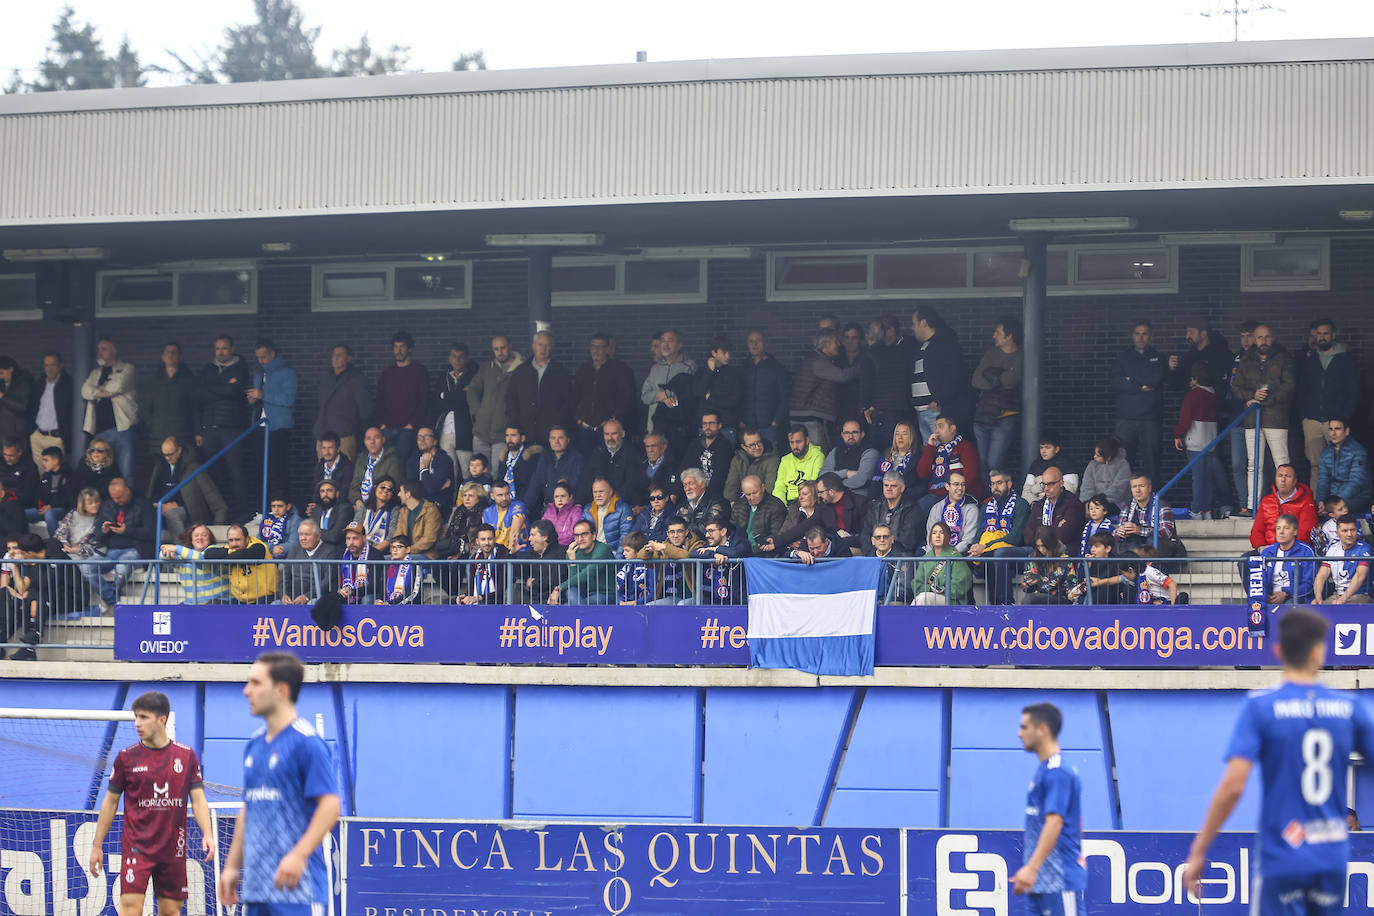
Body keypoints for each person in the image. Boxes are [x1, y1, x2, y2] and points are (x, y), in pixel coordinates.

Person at [1184, 609, 1374, 914]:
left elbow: (1233, 788)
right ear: (1319, 652)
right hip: (1330, 860)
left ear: (1278, 651)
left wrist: (1200, 848)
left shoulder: (1261, 706)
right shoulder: (1348, 707)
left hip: (1283, 857)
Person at [218, 652, 340, 914]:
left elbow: (330, 805)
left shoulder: (307, 743)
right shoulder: (254, 745)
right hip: (257, 888)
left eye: (255, 683)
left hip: (298, 891)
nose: (246, 691)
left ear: (281, 690)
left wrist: (299, 855)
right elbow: (248, 808)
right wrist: (231, 866)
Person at [88, 691, 213, 916]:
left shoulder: (186, 756)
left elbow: (198, 798)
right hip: (137, 848)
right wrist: (97, 845)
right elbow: (110, 803)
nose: (137, 723)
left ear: (162, 720)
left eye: (144, 717)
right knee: (129, 909)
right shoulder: (126, 758)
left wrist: (208, 834)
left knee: (170, 912)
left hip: (173, 849)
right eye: (136, 716)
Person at [1012, 702, 1086, 912]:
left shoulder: (1057, 772)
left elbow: (1055, 822)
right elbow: (1075, 817)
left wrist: (1031, 869)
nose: (1019, 733)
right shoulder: (1046, 770)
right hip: (1041, 882)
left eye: (1024, 727)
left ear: (1043, 729)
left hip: (1059, 880)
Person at [1232, 323, 1296, 512]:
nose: (1263, 341)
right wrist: (1252, 396)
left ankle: (1287, 505)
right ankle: (1253, 506)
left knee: (1282, 462)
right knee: (1253, 464)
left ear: (1273, 337)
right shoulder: (1245, 359)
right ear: (1254, 339)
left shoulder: (1283, 358)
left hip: (1276, 418)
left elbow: (1289, 386)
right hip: (1252, 418)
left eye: (1267, 337)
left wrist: (1265, 400)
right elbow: (1236, 387)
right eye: (1259, 337)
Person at [1297, 318, 1359, 493]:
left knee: (1340, 463)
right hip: (1312, 420)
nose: (1322, 337)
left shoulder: (1345, 359)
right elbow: (1302, 389)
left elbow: (1353, 390)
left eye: (1325, 334)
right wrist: (1304, 416)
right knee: (1315, 465)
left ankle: (1337, 505)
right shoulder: (1310, 359)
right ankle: (1318, 504)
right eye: (1319, 334)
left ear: (1333, 335)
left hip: (1336, 419)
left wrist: (1345, 416)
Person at [196, 336, 252, 521]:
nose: (221, 352)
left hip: (232, 428)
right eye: (218, 348)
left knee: (236, 472)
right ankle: (218, 514)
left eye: (224, 348)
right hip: (209, 429)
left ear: (232, 349)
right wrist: (224, 388)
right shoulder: (207, 369)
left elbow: (234, 392)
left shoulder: (241, 368)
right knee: (213, 474)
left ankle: (242, 515)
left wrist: (214, 390)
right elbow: (200, 395)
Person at [84, 479, 154, 613]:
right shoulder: (108, 505)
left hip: (135, 549)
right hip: (110, 551)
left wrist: (126, 530)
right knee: (86, 566)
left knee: (122, 567)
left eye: (120, 497)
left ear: (128, 490)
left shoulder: (143, 505)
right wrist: (103, 531)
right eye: (113, 497)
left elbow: (150, 533)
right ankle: (112, 599)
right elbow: (97, 535)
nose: (116, 500)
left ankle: (110, 601)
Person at [1110, 320, 1166, 484]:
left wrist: (1132, 380)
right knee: (1124, 464)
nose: (1141, 338)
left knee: (1153, 463)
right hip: (1126, 419)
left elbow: (1155, 380)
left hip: (1151, 419)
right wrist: (1140, 386)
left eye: (1144, 334)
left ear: (1151, 336)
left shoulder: (1158, 357)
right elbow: (1116, 383)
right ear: (1132, 336)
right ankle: (1125, 505)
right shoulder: (1123, 358)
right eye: (1137, 334)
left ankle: (1154, 503)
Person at [1173, 363, 1229, 519]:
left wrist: (1177, 434)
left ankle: (1197, 509)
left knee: (1197, 478)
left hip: (1195, 441)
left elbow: (1185, 420)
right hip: (1210, 442)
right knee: (1209, 477)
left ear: (1195, 379)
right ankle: (1208, 509)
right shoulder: (1213, 395)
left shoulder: (1192, 395)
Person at [971, 317, 1023, 485]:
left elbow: (1011, 380)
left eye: (998, 332)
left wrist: (992, 374)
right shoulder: (991, 354)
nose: (994, 335)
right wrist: (999, 377)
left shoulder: (1021, 355)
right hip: (983, 415)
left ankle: (1004, 498)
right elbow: (976, 380)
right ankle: (989, 503)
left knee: (995, 463)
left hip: (1006, 416)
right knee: (983, 464)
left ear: (1009, 336)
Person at [789, 328, 859, 450]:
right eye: (835, 341)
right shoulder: (818, 361)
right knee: (817, 454)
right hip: (809, 417)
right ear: (825, 344)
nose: (839, 344)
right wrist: (863, 366)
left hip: (804, 414)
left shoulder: (816, 359)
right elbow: (842, 376)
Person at [909, 306, 974, 438]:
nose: (912, 328)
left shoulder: (944, 344)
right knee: (931, 452)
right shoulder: (924, 346)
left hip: (936, 412)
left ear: (924, 322)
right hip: (923, 411)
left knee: (941, 453)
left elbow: (954, 375)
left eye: (914, 323)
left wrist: (940, 401)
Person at [147, 437, 229, 541]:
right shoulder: (159, 467)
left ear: (179, 450)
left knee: (173, 514)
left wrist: (217, 528)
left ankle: (181, 550)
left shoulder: (193, 468)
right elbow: (151, 494)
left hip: (188, 514)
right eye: (165, 455)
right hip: (160, 511)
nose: (167, 458)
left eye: (170, 454)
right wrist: (157, 505)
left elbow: (216, 501)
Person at [81, 338, 138, 481]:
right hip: (99, 431)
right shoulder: (96, 372)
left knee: (126, 472)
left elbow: (117, 387)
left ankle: (127, 502)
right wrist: (105, 392)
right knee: (100, 472)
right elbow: (84, 391)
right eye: (99, 349)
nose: (100, 352)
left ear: (115, 350)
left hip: (121, 428)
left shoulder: (127, 368)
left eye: (104, 349)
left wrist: (96, 391)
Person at [140, 342, 198, 481]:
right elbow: (145, 409)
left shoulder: (189, 380)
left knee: (184, 474)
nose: (170, 355)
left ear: (180, 357)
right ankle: (159, 502)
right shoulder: (154, 381)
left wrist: (197, 432)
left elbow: (195, 408)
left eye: (174, 352)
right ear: (162, 357)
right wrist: (153, 426)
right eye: (168, 352)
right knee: (159, 475)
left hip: (183, 436)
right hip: (158, 437)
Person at [969, 468, 1029, 604]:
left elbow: (1015, 538)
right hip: (988, 551)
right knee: (961, 558)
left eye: (999, 483)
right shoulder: (986, 506)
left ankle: (1004, 603)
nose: (995, 487)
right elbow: (979, 533)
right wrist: (975, 547)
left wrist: (985, 547)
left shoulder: (1021, 504)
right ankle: (969, 607)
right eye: (992, 484)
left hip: (1015, 552)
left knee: (998, 554)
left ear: (1009, 484)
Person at [506, 330, 574, 447]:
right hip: (525, 432)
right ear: (533, 346)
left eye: (547, 345)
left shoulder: (560, 372)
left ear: (552, 348)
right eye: (540, 344)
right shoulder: (521, 371)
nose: (543, 349)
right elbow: (511, 398)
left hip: (551, 434)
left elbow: (569, 401)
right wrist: (516, 421)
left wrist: (558, 422)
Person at [573, 332, 636, 456]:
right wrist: (578, 418)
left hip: (607, 428)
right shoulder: (583, 370)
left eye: (600, 347)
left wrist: (615, 417)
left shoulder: (619, 370)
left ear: (607, 349)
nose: (596, 350)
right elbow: (574, 396)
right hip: (585, 427)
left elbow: (627, 397)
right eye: (593, 347)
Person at [374, 330, 429, 465]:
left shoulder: (419, 371)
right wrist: (381, 424)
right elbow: (378, 400)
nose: (398, 351)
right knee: (387, 465)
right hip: (387, 429)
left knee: (404, 465)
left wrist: (411, 425)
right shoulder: (387, 373)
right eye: (396, 347)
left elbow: (424, 401)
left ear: (410, 349)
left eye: (402, 347)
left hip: (408, 430)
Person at [468, 335, 524, 466]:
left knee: (497, 473)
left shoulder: (522, 368)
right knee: (480, 474)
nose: (500, 352)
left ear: (510, 346)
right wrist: (477, 411)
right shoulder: (487, 367)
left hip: (503, 434)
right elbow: (472, 389)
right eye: (496, 349)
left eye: (503, 348)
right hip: (481, 431)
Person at [916, 414, 984, 514]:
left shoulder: (966, 447)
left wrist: (949, 492)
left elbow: (969, 477)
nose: (937, 431)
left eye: (940, 426)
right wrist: (930, 447)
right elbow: (922, 473)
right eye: (936, 427)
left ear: (952, 428)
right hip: (936, 496)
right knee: (916, 511)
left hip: (963, 494)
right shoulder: (936, 450)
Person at [313, 343, 371, 460]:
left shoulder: (356, 379)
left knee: (345, 472)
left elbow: (364, 409)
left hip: (344, 435)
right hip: (324, 434)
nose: (335, 358)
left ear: (348, 358)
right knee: (325, 472)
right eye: (333, 355)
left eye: (339, 355)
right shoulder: (326, 378)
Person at [640, 329, 696, 442]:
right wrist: (658, 395)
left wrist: (667, 395)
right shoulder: (655, 368)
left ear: (680, 344)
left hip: (679, 427)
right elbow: (644, 396)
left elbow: (689, 394)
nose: (665, 344)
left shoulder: (688, 366)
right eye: (663, 341)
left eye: (670, 340)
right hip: (655, 428)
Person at [739, 330, 791, 447]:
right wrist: (740, 420)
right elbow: (738, 396)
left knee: (770, 458)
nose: (754, 344)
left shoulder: (776, 368)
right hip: (747, 426)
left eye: (758, 341)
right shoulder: (743, 368)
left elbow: (785, 398)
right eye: (751, 341)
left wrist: (776, 421)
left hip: (769, 426)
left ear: (765, 344)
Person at [1249, 464, 1319, 551]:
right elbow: (1257, 531)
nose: (1283, 480)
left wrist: (1282, 550)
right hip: (1268, 551)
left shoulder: (1306, 502)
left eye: (1288, 476)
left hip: (1295, 552)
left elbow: (1306, 533)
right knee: (1244, 561)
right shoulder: (1266, 501)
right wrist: (1261, 547)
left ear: (1295, 481)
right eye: (1280, 476)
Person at [434, 342, 477, 479]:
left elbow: (468, 400)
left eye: (461, 356)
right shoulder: (444, 377)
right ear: (449, 359)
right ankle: (451, 501)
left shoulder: (473, 376)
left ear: (467, 359)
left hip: (464, 431)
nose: (457, 360)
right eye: (454, 356)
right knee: (449, 473)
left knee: (468, 471)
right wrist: (459, 396)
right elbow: (436, 401)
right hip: (445, 432)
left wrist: (446, 396)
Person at [160, 525, 231, 606]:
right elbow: (163, 559)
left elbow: (200, 558)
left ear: (210, 538)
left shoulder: (214, 551)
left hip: (220, 601)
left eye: (204, 535)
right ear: (191, 539)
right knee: (174, 614)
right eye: (196, 535)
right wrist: (166, 551)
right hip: (192, 603)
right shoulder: (185, 554)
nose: (200, 538)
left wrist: (176, 548)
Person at [578, 419, 643, 506]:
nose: (610, 438)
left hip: (622, 504)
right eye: (607, 434)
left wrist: (611, 500)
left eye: (614, 434)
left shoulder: (632, 454)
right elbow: (586, 480)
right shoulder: (597, 452)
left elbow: (631, 485)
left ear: (622, 434)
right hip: (597, 502)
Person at [1114, 473, 1182, 557]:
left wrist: (1139, 530)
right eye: (1134, 487)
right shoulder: (1127, 506)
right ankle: (1132, 568)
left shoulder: (1162, 505)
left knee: (1151, 542)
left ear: (1149, 488)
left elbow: (1166, 532)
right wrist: (1121, 533)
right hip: (1136, 545)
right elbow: (1115, 533)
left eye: (1141, 486)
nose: (1137, 490)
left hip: (1164, 550)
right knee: (1129, 542)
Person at [548, 520, 615, 604]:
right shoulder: (572, 551)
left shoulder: (603, 549)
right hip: (583, 592)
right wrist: (572, 561)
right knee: (571, 591)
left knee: (574, 604)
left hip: (605, 594)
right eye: (576, 535)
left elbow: (587, 575)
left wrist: (558, 588)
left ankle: (572, 612)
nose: (580, 539)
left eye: (584, 534)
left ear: (594, 535)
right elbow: (574, 581)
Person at [524, 425, 584, 518]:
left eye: (560, 438)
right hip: (548, 507)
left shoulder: (576, 458)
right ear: (549, 440)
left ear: (568, 440)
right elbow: (536, 482)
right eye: (553, 438)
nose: (556, 441)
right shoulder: (545, 456)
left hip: (568, 509)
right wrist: (526, 507)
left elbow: (575, 483)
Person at [1312, 514, 1372, 605]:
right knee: (1317, 611)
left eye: (1352, 530)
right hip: (1338, 595)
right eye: (1345, 531)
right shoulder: (1333, 548)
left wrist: (1343, 599)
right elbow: (1321, 576)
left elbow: (1360, 576)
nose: (1349, 534)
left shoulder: (1364, 547)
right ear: (1337, 533)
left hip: (1361, 596)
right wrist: (1318, 597)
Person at [1259, 513, 1318, 605]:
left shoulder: (1306, 551)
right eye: (1278, 528)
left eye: (1286, 528)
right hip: (1270, 597)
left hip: (1295, 598)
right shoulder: (1266, 552)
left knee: (1289, 605)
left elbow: (1309, 584)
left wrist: (1286, 593)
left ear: (1295, 531)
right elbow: (1258, 579)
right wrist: (1263, 594)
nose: (1281, 532)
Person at [278, 519, 341, 605]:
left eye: (307, 534)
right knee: (275, 604)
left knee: (312, 604)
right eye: (301, 534)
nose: (303, 538)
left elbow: (328, 581)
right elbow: (284, 577)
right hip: (292, 599)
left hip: (317, 598)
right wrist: (284, 595)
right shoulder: (294, 549)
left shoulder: (330, 551)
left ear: (318, 536)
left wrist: (307, 596)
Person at [693, 335, 743, 440]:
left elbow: (734, 400)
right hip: (706, 427)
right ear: (714, 353)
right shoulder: (702, 372)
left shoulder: (733, 373)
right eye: (724, 353)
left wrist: (711, 398)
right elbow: (697, 392)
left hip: (726, 425)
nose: (728, 356)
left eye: (729, 352)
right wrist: (709, 372)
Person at [28, 351, 73, 467]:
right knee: (39, 473)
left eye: (53, 365)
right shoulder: (40, 384)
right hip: (37, 436)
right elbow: (32, 407)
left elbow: (71, 413)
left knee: (57, 472)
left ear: (61, 365)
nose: (49, 369)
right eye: (46, 365)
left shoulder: (68, 384)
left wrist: (64, 435)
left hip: (56, 437)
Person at [910, 521, 972, 605]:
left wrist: (941, 590)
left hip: (951, 600)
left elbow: (961, 585)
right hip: (928, 596)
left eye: (942, 533)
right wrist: (930, 589)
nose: (938, 536)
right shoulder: (926, 557)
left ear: (948, 536)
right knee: (921, 598)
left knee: (923, 598)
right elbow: (917, 583)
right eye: (934, 533)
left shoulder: (955, 556)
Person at [1316, 417, 1371, 510]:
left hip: (1356, 498)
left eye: (1337, 429)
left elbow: (1356, 482)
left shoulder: (1358, 450)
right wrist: (1321, 501)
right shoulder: (1326, 452)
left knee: (1340, 509)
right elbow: (1323, 481)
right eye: (1330, 429)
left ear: (1347, 431)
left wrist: (1334, 502)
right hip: (1333, 498)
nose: (1333, 433)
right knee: (1314, 507)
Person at [678, 409, 734, 499]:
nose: (707, 427)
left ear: (719, 425)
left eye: (711, 423)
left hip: (713, 494)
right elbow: (684, 468)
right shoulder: (695, 444)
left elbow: (720, 476)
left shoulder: (725, 445)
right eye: (705, 424)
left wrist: (705, 497)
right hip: (692, 490)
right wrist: (675, 492)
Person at [923, 469, 979, 555]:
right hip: (937, 554)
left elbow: (968, 540)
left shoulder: (971, 509)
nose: (960, 488)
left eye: (963, 485)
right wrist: (934, 555)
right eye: (956, 484)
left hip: (960, 555)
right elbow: (930, 537)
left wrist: (949, 555)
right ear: (947, 486)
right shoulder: (937, 508)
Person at [691, 519, 747, 603]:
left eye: (710, 531)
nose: (706, 535)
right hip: (712, 600)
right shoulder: (709, 546)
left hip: (737, 600)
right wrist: (714, 555)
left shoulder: (740, 542)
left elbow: (734, 553)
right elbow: (693, 553)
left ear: (723, 531)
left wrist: (716, 549)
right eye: (706, 531)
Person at [731, 474, 788, 556]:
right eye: (748, 494)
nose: (752, 497)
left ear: (763, 488)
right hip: (739, 551)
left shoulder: (776, 505)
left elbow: (776, 534)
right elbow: (732, 530)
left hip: (764, 554)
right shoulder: (738, 505)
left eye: (754, 493)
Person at [821, 419, 880, 496]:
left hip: (858, 498)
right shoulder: (835, 451)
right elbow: (823, 475)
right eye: (847, 433)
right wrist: (846, 473)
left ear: (862, 434)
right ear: (842, 435)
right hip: (834, 497)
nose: (850, 436)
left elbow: (861, 480)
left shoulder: (871, 452)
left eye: (855, 432)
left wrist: (833, 485)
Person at [349, 427, 404, 507]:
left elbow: (391, 489)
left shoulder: (393, 459)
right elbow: (353, 488)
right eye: (368, 438)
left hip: (382, 506)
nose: (372, 442)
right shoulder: (361, 459)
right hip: (361, 505)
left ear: (383, 440)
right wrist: (359, 503)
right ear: (365, 442)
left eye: (376, 438)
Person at [407, 427, 456, 516]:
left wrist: (424, 469)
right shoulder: (413, 459)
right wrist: (437, 488)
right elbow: (411, 488)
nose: (421, 440)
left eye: (426, 437)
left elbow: (431, 488)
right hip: (417, 504)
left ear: (435, 441)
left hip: (438, 507)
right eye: (419, 437)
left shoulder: (444, 460)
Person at [1022, 431, 1080, 504]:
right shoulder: (1035, 464)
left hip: (1060, 505)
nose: (1043, 451)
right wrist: (1035, 504)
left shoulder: (1067, 463)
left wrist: (1038, 487)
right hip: (1035, 505)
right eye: (1041, 448)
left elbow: (1070, 489)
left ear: (1056, 449)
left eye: (1047, 448)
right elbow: (1026, 491)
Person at [724, 427, 780, 502]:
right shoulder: (737, 459)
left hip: (763, 504)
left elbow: (770, 489)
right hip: (741, 502)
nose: (757, 447)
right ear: (744, 447)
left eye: (759, 442)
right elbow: (730, 487)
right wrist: (732, 502)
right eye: (752, 445)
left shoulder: (772, 459)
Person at [773, 425, 824, 505]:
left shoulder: (818, 456)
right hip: (788, 504)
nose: (795, 446)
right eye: (792, 442)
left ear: (807, 440)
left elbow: (813, 486)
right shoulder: (785, 459)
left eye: (798, 442)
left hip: (808, 503)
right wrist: (781, 507)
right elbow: (779, 488)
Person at [514, 519, 562, 603]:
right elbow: (517, 574)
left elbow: (555, 579)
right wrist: (512, 554)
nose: (529, 539)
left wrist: (533, 583)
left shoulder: (561, 553)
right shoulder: (531, 555)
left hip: (554, 599)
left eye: (533, 535)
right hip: (533, 598)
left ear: (544, 537)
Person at [460, 524, 510, 605]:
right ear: (477, 541)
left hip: (495, 605)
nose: (487, 543)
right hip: (476, 605)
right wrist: (465, 596)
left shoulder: (502, 555)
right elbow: (472, 586)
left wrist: (479, 598)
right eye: (483, 539)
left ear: (495, 539)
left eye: (489, 539)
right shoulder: (474, 558)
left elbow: (501, 590)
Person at [1079, 435, 1131, 511]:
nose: (1094, 457)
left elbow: (1119, 488)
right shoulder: (1092, 465)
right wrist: (1089, 502)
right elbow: (1087, 486)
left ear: (1108, 457)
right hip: (1093, 504)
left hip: (1115, 504)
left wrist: (1101, 501)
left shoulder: (1123, 465)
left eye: (1098, 455)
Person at [677, 468, 730, 542]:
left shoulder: (718, 503)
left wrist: (683, 532)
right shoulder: (682, 506)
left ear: (702, 484)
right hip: (685, 547)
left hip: (708, 547)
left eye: (691, 484)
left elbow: (707, 531)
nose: (687, 488)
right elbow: (674, 529)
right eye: (685, 485)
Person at [582, 477, 631, 556]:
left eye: (601, 491)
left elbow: (626, 536)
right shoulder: (588, 509)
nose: (598, 495)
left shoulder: (623, 509)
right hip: (592, 554)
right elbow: (581, 533)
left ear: (610, 492)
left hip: (613, 554)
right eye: (595, 492)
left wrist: (617, 560)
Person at [394, 479, 442, 558]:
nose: (398, 494)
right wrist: (396, 550)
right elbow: (398, 535)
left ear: (408, 494)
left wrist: (408, 550)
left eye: (401, 491)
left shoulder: (431, 510)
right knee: (384, 560)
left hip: (427, 555)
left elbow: (429, 539)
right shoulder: (403, 511)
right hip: (406, 554)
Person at [872, 420, 921, 493]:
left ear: (912, 436)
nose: (900, 437)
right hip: (882, 498)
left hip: (906, 498)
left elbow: (920, 485)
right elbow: (875, 482)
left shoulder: (918, 456)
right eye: (897, 434)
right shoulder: (887, 454)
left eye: (904, 434)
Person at [353, 476, 399, 552]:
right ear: (375, 488)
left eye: (389, 489)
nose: (385, 491)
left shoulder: (394, 510)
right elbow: (355, 530)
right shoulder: (364, 507)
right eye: (382, 487)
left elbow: (391, 537)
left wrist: (372, 553)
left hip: (382, 552)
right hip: (361, 549)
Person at [483, 479, 529, 554]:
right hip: (498, 554)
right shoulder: (487, 512)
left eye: (507, 494)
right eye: (500, 495)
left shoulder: (518, 506)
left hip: (520, 552)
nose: (504, 498)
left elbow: (514, 532)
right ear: (492, 496)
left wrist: (509, 554)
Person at [338, 522, 380, 603]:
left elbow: (374, 586)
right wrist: (340, 591)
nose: (351, 542)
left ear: (364, 538)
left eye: (355, 538)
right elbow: (333, 580)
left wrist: (353, 592)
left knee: (366, 600)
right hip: (347, 593)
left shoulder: (375, 555)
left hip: (369, 594)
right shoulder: (341, 554)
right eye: (348, 538)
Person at [35, 446, 72, 532]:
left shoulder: (69, 475)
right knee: (22, 513)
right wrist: (40, 505)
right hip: (44, 509)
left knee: (49, 514)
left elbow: (68, 498)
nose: (43, 463)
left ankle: (56, 543)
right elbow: (39, 494)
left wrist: (51, 506)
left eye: (46, 460)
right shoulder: (46, 476)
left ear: (55, 461)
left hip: (62, 510)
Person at [377, 535, 422, 605]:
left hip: (408, 607)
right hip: (388, 605)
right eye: (393, 547)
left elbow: (414, 592)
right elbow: (383, 588)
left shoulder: (414, 566)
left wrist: (392, 603)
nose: (395, 550)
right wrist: (379, 600)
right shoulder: (388, 566)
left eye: (399, 547)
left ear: (408, 550)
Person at [616, 531, 656, 605]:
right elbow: (618, 588)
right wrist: (620, 601)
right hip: (625, 604)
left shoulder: (650, 566)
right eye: (624, 550)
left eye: (627, 551)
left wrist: (635, 603)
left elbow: (653, 593)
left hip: (644, 606)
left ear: (638, 551)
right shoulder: (626, 566)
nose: (624, 553)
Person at [541, 481, 583, 548]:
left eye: (563, 496)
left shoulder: (576, 511)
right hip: (548, 548)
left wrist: (551, 540)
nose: (559, 499)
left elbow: (572, 534)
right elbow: (541, 531)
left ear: (570, 497)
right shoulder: (549, 511)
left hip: (567, 548)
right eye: (556, 497)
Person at [311, 432, 355, 497]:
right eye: (324, 448)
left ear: (338, 449)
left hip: (341, 504)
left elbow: (345, 493)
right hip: (322, 504)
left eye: (330, 448)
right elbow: (316, 492)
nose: (327, 452)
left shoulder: (348, 467)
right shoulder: (319, 467)